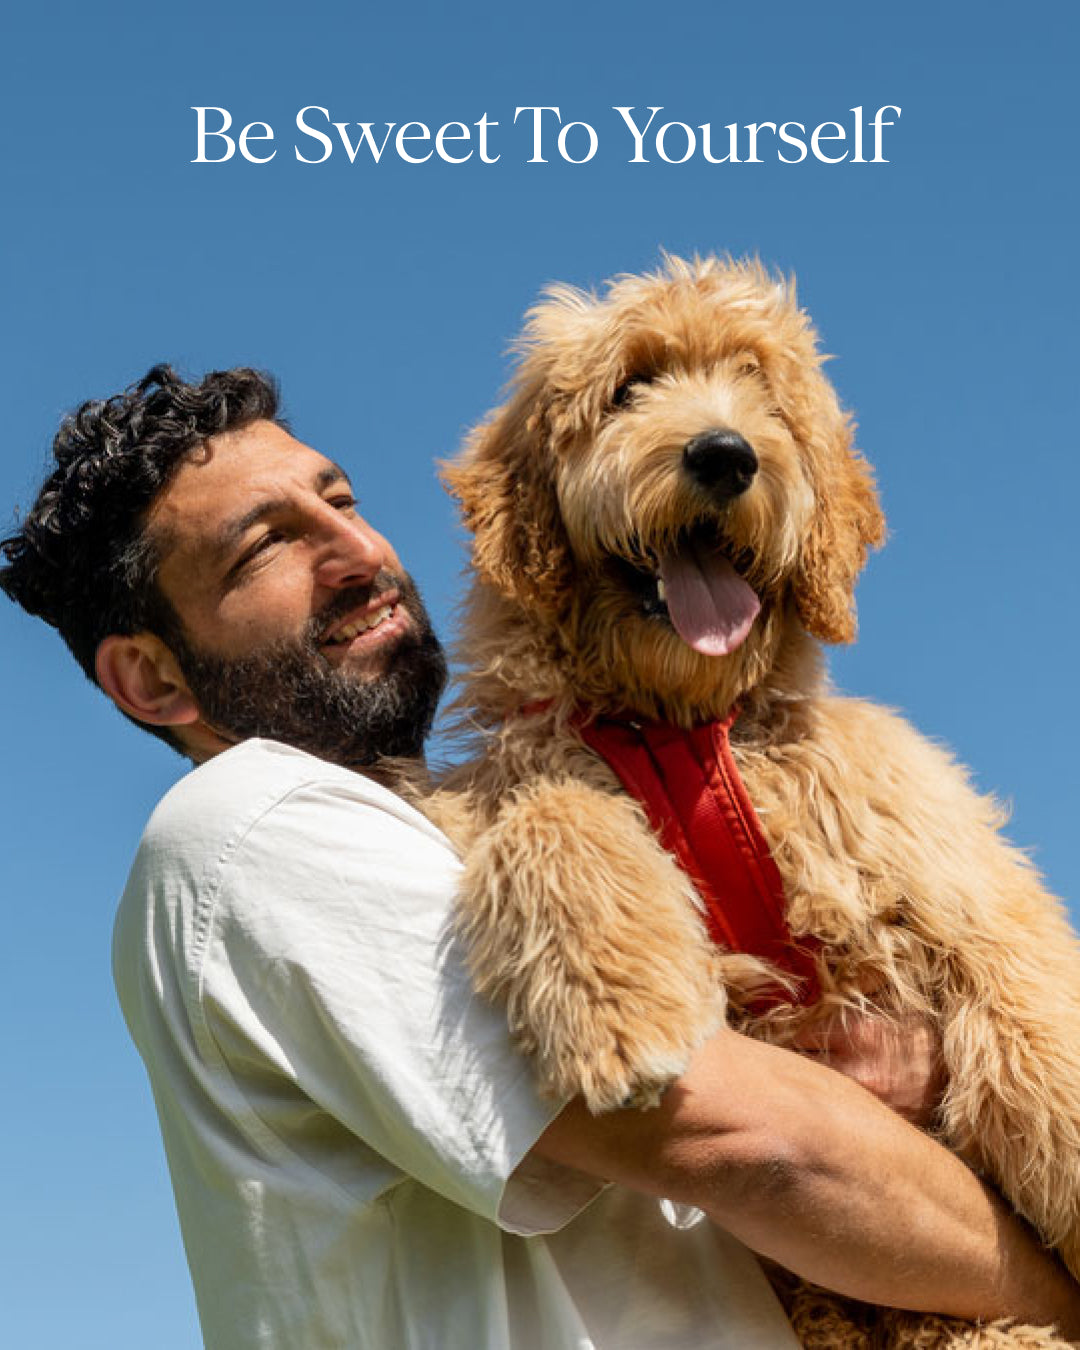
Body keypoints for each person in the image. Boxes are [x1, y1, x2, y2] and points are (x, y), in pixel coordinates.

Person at [3, 365, 1077, 1350]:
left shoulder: (448, 838)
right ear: (151, 681)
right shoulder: (247, 822)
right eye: (265, 545)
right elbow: (744, 1139)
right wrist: (1049, 1297)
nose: (358, 553)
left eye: (341, 499)